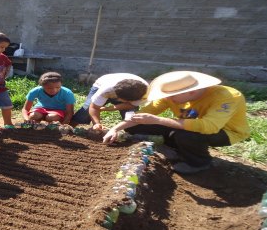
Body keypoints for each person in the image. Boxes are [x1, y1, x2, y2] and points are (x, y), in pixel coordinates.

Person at [103, 71, 250, 174]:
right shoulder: (173, 96)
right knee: (138, 124)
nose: (169, 99)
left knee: (185, 135)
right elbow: (144, 114)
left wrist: (158, 120)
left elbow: (209, 127)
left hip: (224, 132)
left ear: (191, 92)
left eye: (172, 96)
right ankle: (176, 147)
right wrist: (115, 129)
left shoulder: (227, 97)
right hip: (186, 125)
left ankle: (199, 162)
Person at [71, 73, 148, 130]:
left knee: (131, 115)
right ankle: (70, 127)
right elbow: (94, 107)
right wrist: (96, 124)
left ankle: (131, 134)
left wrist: (108, 108)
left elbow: (131, 105)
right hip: (102, 83)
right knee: (86, 109)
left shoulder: (145, 94)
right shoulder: (107, 90)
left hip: (130, 91)